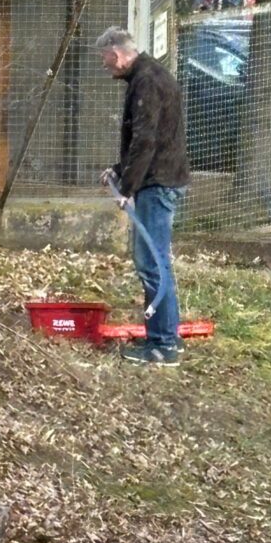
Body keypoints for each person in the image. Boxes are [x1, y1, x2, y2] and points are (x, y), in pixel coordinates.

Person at [96, 26, 189, 366]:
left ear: (116, 53)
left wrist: (127, 188)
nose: (105, 65)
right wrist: (119, 170)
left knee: (151, 263)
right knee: (158, 261)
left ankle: (162, 345)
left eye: (105, 59)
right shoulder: (151, 75)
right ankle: (168, 338)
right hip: (161, 177)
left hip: (157, 183)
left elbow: (145, 141)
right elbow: (149, 139)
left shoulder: (146, 82)